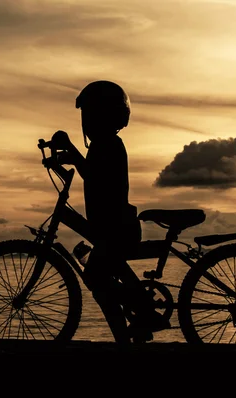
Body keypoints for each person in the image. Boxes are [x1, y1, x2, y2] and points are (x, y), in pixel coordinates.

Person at [51, 80, 170, 345]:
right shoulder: (102, 145)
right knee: (103, 275)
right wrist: (68, 156)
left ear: (101, 115)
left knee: (96, 277)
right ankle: (138, 319)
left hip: (115, 229)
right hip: (112, 227)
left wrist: (70, 149)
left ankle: (139, 319)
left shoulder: (109, 144)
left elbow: (94, 176)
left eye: (89, 113)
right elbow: (91, 170)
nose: (86, 120)